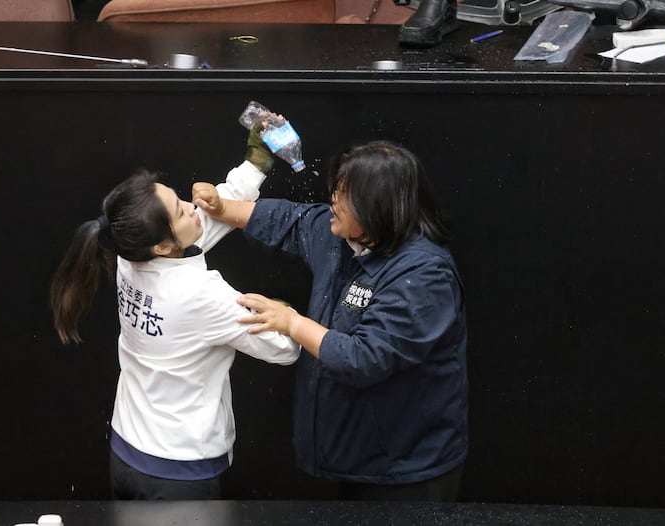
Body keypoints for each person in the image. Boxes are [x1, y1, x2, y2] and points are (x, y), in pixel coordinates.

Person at [194, 140, 468, 501]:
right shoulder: (338, 233)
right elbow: (287, 221)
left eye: (344, 195)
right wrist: (222, 207)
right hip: (354, 458)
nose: (332, 202)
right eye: (334, 191)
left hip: (406, 472)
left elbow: (365, 358)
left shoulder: (424, 277)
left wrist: (291, 323)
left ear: (377, 207)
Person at [49, 128, 299, 500]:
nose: (192, 206)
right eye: (182, 209)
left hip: (127, 448)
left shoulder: (129, 255)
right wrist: (285, 312)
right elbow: (283, 347)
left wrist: (255, 165)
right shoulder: (200, 294)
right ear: (163, 244)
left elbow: (200, 226)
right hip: (179, 473)